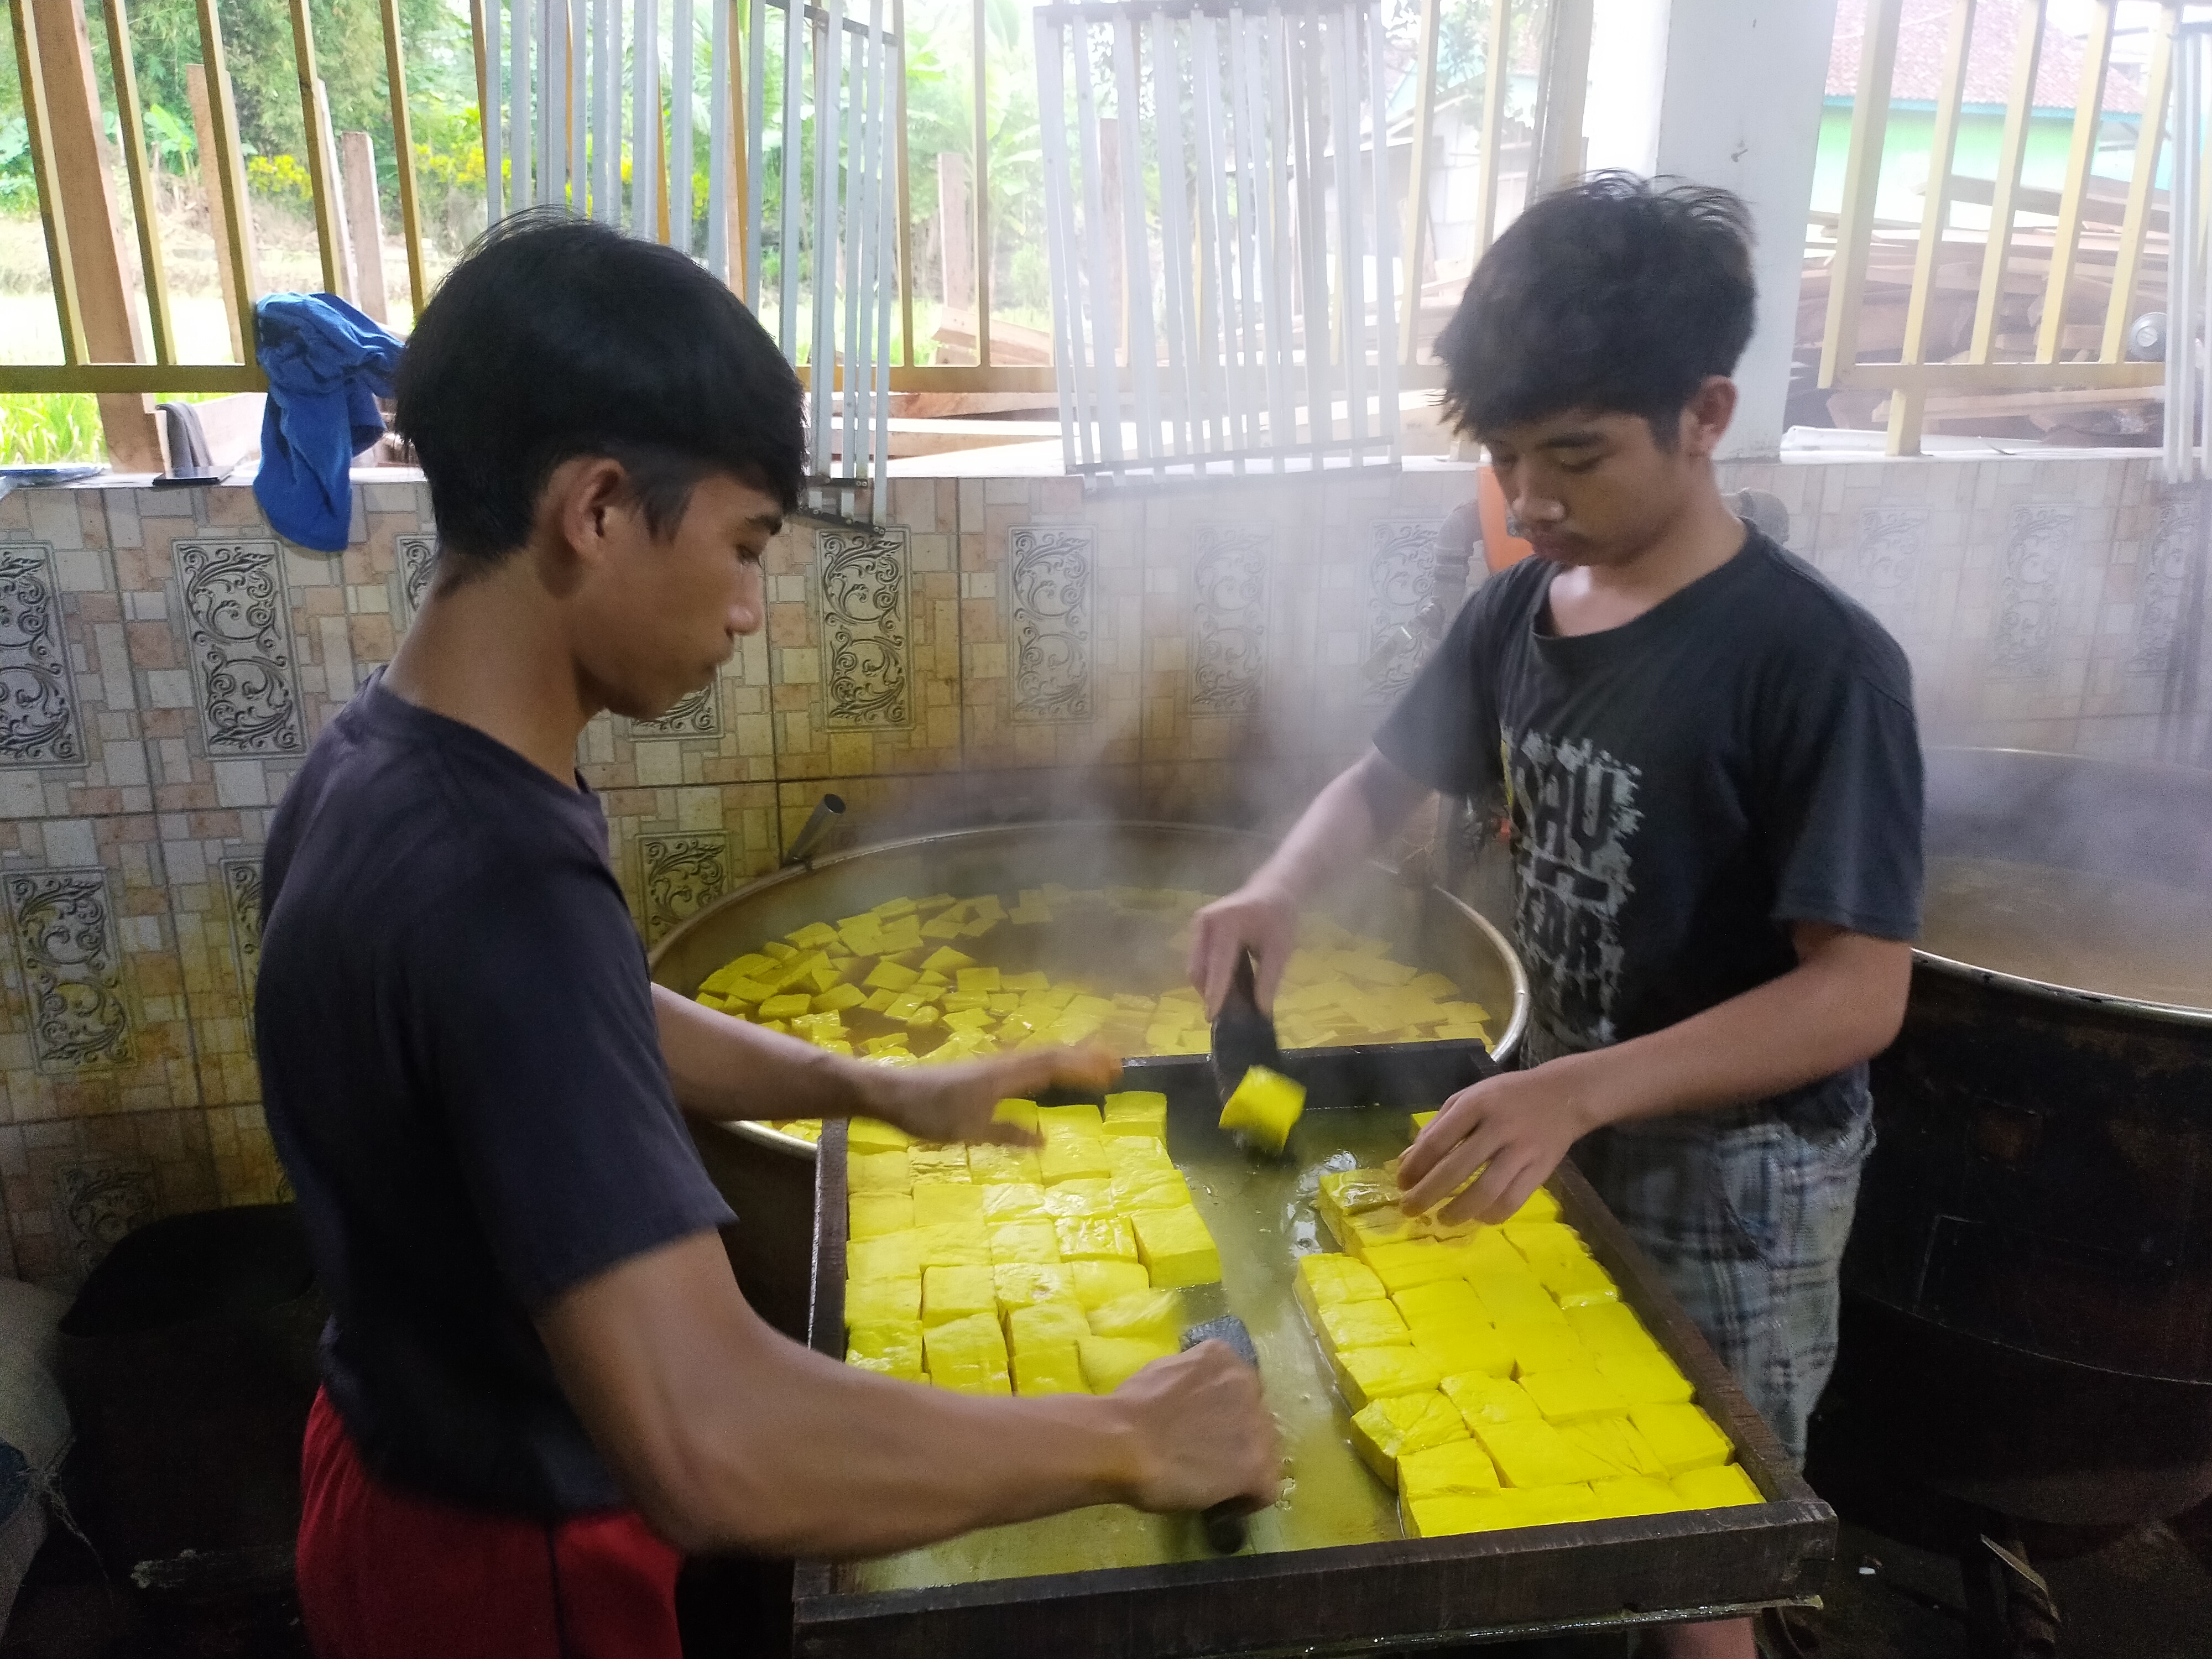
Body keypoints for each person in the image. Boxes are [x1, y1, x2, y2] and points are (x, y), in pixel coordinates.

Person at [257, 210, 1279, 1659]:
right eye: (744, 547)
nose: (748, 610)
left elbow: (575, 1027)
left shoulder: (386, 757)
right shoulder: (500, 886)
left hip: (385, 1477)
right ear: (599, 509)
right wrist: (1126, 1439)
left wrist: (878, 1088)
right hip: (511, 1567)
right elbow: (706, 1438)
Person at [1190, 174, 1921, 1659]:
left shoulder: (1816, 661)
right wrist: (1280, 883)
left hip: (1736, 1173)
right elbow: (1382, 778)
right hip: (1560, 1112)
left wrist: (1578, 1089)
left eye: (1574, 457)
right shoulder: (1521, 611)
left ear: (1706, 414)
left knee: (1696, 1538)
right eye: (1507, 456)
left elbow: (1856, 996)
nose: (1529, 501)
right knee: (1539, 1470)